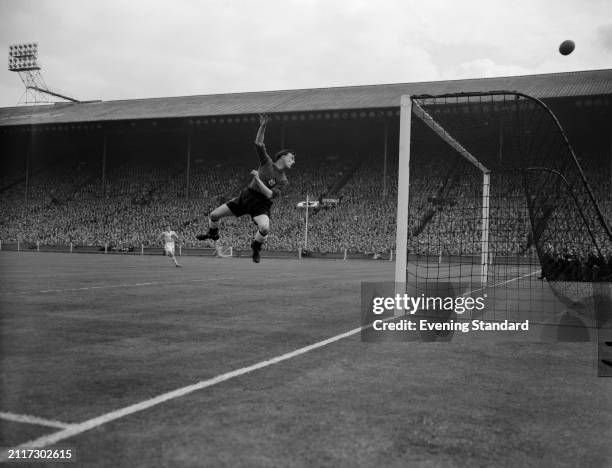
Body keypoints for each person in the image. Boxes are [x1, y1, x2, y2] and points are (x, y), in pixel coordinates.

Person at [196, 114, 296, 263]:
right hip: (246, 197)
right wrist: (263, 126)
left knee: (264, 228)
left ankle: (255, 247)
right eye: (291, 158)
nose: (293, 162)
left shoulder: (283, 180)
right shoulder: (267, 162)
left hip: (261, 204)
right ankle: (212, 234)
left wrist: (256, 179)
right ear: (282, 156)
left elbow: (269, 194)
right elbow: (258, 143)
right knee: (214, 215)